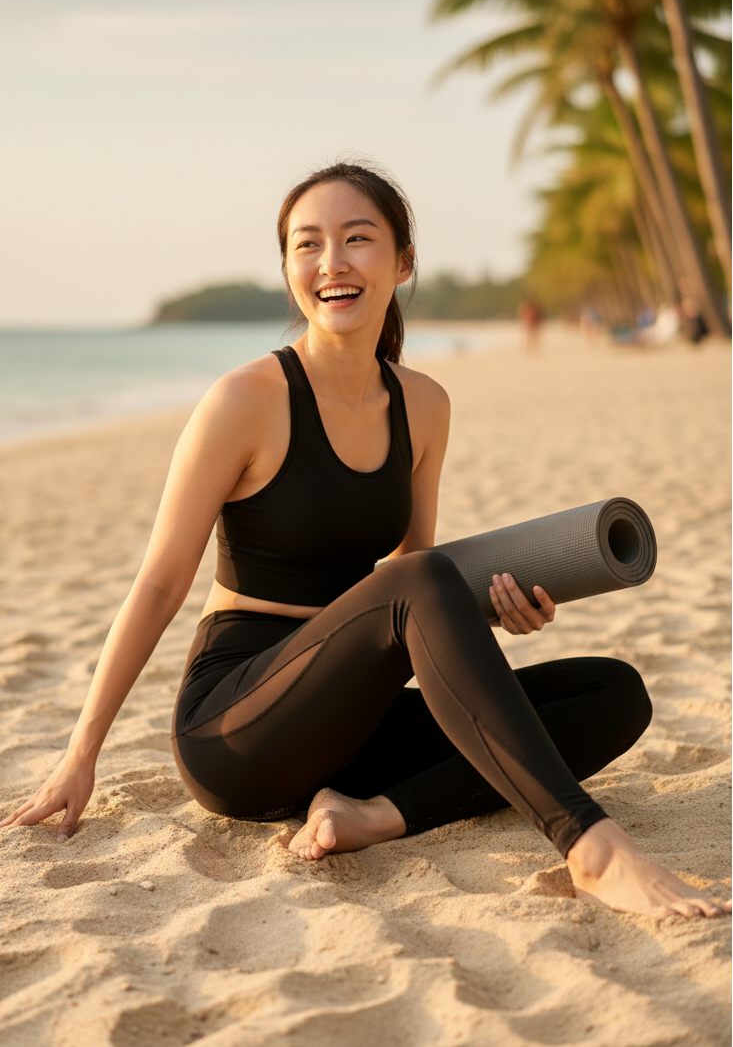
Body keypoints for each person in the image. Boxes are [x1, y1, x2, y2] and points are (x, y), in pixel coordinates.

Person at [2, 163, 729, 920]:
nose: (331, 263)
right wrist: (79, 753)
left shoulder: (422, 405)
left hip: (357, 721)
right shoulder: (244, 401)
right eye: (307, 245)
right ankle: (591, 849)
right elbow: (158, 584)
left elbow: (417, 581)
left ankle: (376, 815)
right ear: (288, 270)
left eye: (357, 240)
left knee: (614, 692)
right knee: (420, 580)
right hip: (241, 725)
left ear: (402, 262)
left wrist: (504, 607)